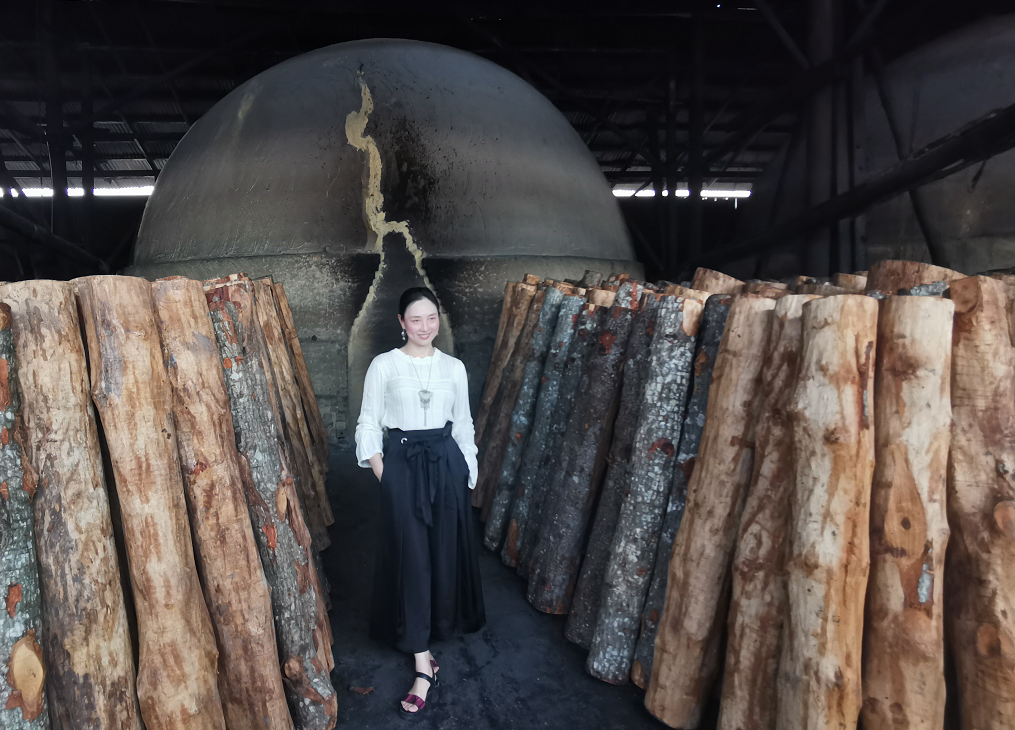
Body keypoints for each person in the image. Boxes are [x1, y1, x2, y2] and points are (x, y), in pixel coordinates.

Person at [355, 286, 486, 719]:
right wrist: (387, 476)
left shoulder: (453, 367)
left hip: (446, 464)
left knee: (441, 554)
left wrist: (467, 471)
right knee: (412, 559)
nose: (425, 326)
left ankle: (432, 635)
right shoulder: (384, 365)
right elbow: (368, 423)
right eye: (416, 319)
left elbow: (463, 423)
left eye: (432, 318)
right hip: (404, 464)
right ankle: (422, 664)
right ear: (401, 322)